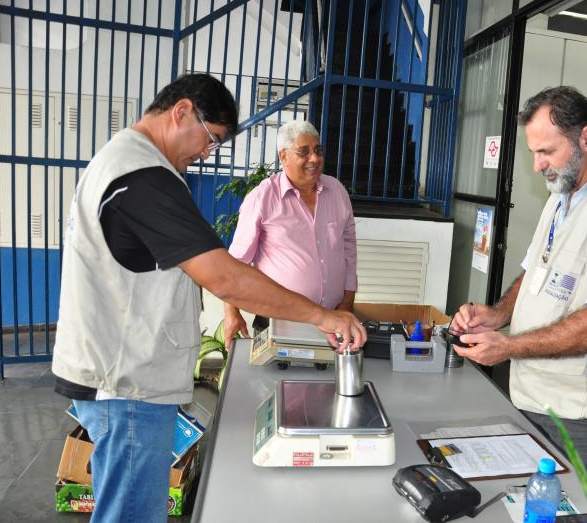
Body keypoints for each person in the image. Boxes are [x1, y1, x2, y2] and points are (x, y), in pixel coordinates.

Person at [51, 74, 366, 523]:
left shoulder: (128, 162)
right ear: (182, 112)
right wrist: (323, 316)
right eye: (211, 140)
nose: (205, 154)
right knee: (133, 514)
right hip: (127, 383)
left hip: (119, 375)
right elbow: (224, 276)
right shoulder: (142, 175)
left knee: (120, 504)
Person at [450, 86, 587, 499]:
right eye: (534, 153)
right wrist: (498, 315)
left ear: (586, 139)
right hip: (534, 393)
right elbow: (536, 269)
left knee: (575, 509)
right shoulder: (562, 195)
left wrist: (509, 346)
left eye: (546, 152)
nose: (537, 166)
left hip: (586, 415)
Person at [223, 120, 357, 345]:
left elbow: (349, 248)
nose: (314, 159)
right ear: (283, 156)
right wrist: (231, 312)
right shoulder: (263, 198)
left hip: (333, 319)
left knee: (329, 379)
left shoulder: (337, 192)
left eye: (317, 150)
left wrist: (347, 301)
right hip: (277, 323)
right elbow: (236, 263)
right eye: (303, 152)